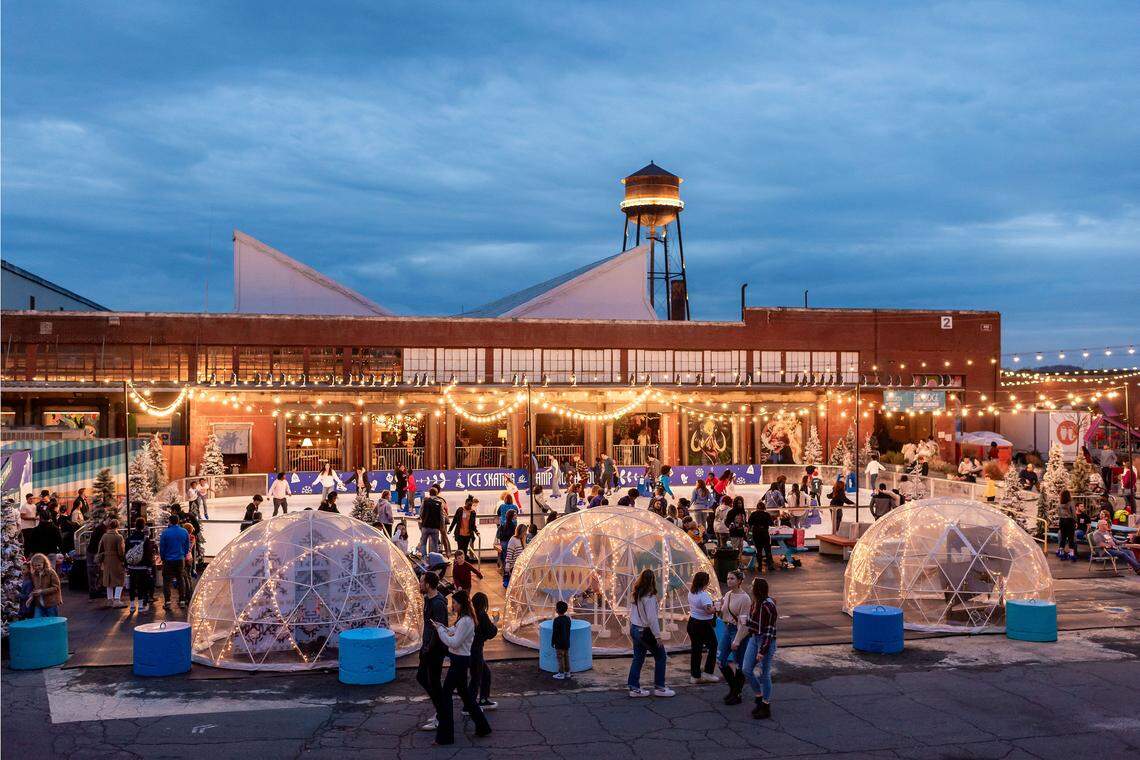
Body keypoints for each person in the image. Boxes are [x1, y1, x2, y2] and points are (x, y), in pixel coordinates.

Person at [431, 589, 492, 745]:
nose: (453, 605)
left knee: (446, 697)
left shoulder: (466, 621)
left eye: (455, 603)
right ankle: (483, 727)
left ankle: (445, 737)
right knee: (467, 697)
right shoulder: (464, 619)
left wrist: (439, 631)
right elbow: (453, 630)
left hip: (459, 662)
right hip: (459, 661)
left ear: (461, 604)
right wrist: (442, 627)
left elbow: (454, 642)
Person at [627, 568, 674, 698]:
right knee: (661, 656)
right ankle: (660, 687)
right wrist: (657, 636)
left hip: (635, 628)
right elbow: (652, 620)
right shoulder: (650, 598)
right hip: (645, 631)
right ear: (653, 580)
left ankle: (634, 687)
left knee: (638, 658)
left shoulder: (636, 594)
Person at [738, 577, 778, 719]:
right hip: (754, 638)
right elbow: (756, 623)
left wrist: (763, 650)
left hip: (764, 641)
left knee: (764, 673)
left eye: (753, 585)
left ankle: (766, 705)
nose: (750, 587)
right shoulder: (756, 603)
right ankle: (759, 696)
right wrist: (746, 621)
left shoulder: (768, 605)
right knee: (746, 669)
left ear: (757, 589)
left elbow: (769, 630)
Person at [416, 571, 450, 734]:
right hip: (427, 647)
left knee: (434, 683)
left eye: (422, 582)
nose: (420, 584)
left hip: (434, 650)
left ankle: (442, 715)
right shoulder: (428, 600)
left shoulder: (437, 604)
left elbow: (439, 629)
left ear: (428, 585)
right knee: (422, 677)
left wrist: (428, 649)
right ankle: (440, 709)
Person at [718, 569, 751, 704]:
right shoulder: (728, 594)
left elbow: (744, 623)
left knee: (738, 664)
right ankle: (734, 690)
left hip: (740, 632)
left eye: (732, 579)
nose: (729, 581)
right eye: (728, 578)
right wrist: (718, 608)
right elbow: (724, 613)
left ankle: (736, 694)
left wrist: (737, 640)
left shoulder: (745, 598)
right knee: (720, 660)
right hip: (728, 628)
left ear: (739, 581)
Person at [686, 571, 720, 684]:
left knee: (696, 649)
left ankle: (695, 675)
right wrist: (717, 607)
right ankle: (708, 672)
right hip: (703, 624)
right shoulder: (703, 595)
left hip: (692, 623)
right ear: (705, 582)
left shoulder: (691, 592)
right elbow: (708, 610)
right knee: (713, 645)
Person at [469, 591, 498, 710]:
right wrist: (495, 621)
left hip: (469, 650)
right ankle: (471, 705)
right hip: (476, 651)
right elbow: (491, 632)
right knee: (477, 678)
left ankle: (481, 699)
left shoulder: (470, 614)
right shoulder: (482, 615)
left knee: (482, 675)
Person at [159, 514, 191, 610]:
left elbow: (162, 547)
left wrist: (163, 557)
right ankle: (182, 600)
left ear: (170, 521)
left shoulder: (165, 533)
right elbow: (187, 546)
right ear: (178, 521)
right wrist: (183, 555)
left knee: (167, 581)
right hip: (180, 559)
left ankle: (168, 602)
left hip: (168, 560)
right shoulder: (184, 532)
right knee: (180, 579)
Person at [125, 517, 156, 612]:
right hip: (142, 566)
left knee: (132, 585)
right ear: (143, 526)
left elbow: (126, 552)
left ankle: (132, 605)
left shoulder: (129, 538)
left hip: (132, 566)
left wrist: (126, 564)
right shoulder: (145, 539)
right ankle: (141, 605)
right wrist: (149, 566)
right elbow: (148, 553)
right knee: (142, 585)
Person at [97, 518, 127, 608]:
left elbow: (100, 548)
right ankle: (117, 600)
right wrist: (123, 560)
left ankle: (110, 600)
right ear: (117, 526)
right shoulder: (118, 537)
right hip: (116, 560)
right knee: (119, 579)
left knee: (108, 580)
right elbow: (121, 552)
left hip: (106, 560)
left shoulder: (104, 536)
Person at [27, 553, 62, 618]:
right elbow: (35, 588)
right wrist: (32, 596)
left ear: (44, 563)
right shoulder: (34, 574)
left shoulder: (51, 572)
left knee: (52, 623)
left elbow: (56, 587)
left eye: (39, 565)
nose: (37, 567)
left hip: (51, 603)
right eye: (35, 566)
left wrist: (42, 591)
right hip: (39, 604)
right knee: (37, 622)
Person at [748, 502, 776, 572]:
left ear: (757, 507)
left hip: (756, 533)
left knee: (758, 550)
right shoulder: (766, 514)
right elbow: (771, 524)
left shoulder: (753, 514)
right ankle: (770, 566)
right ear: (764, 508)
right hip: (764, 533)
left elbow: (749, 523)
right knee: (767, 550)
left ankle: (759, 566)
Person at [418, 487, 444, 555]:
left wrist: (422, 520)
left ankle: (424, 559)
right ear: (436, 493)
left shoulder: (425, 501)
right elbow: (442, 516)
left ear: (429, 493)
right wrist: (442, 526)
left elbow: (420, 512)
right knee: (435, 544)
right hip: (435, 527)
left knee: (423, 543)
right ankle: (434, 559)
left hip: (425, 526)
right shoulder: (439, 503)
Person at [551, 600, 573, 679]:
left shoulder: (556, 620)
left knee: (560, 658)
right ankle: (567, 672)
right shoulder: (568, 619)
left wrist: (553, 642)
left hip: (559, 643)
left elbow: (555, 633)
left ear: (557, 610)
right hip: (566, 642)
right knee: (566, 657)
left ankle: (561, 673)